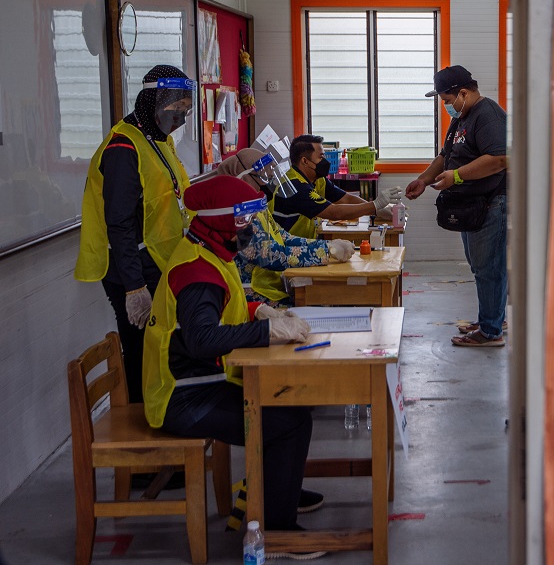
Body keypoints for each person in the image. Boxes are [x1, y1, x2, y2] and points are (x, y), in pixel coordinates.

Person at [143, 175, 325, 545]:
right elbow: (202, 339)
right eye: (242, 221)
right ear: (219, 219)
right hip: (185, 398)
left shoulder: (210, 252)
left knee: (290, 404)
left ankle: (280, 495)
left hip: (200, 383)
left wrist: (259, 311)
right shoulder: (197, 274)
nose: (248, 229)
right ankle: (277, 532)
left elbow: (222, 311)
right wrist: (267, 332)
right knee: (289, 423)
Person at [76, 65, 195, 403]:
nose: (180, 117)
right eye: (174, 109)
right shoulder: (122, 149)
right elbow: (120, 225)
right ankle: (142, 417)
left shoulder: (159, 140)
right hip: (130, 266)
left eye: (185, 110)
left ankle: (160, 408)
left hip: (155, 257)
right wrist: (134, 288)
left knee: (162, 343)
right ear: (151, 101)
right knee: (141, 346)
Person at [406, 66, 508, 347]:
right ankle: (492, 317)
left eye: (448, 101)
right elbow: (446, 155)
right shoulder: (462, 117)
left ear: (463, 93)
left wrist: (458, 176)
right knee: (481, 266)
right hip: (471, 206)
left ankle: (491, 332)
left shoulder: (487, 114)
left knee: (489, 268)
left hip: (490, 203)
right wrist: (423, 180)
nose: (446, 106)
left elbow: (500, 158)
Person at [215, 149, 355, 306]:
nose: (267, 186)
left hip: (272, 287)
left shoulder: (254, 206)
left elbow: (282, 236)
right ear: (243, 179)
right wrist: (327, 251)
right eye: (263, 179)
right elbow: (271, 255)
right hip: (253, 297)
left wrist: (327, 245)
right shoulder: (234, 216)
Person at [272, 134, 403, 239]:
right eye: (321, 157)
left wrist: (376, 210)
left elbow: (345, 198)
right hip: (284, 254)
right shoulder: (294, 186)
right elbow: (334, 212)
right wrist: (375, 204)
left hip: (303, 244)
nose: (325, 161)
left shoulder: (317, 179)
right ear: (305, 161)